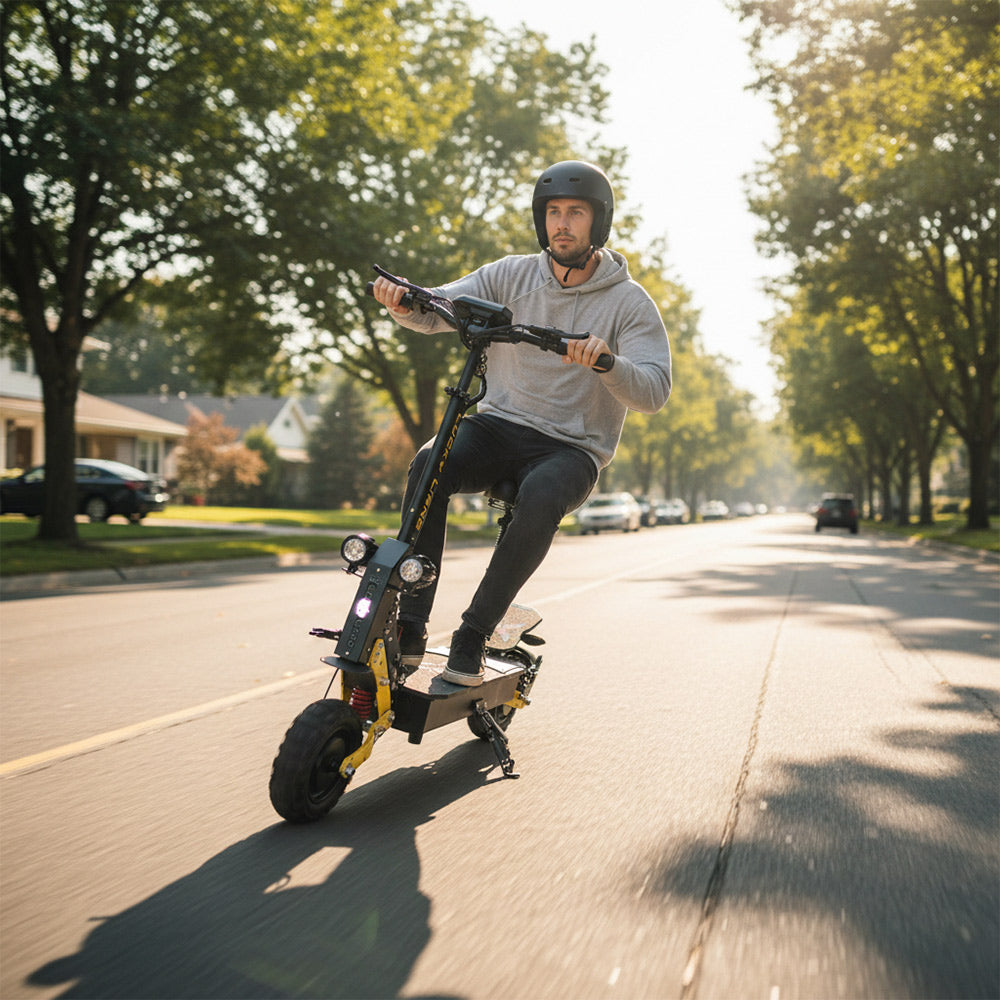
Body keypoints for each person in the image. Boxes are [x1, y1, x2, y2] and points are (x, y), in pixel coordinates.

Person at [371, 160, 671, 686]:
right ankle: (412, 623)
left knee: (543, 492)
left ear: (598, 223)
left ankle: (473, 632)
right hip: (498, 427)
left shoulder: (629, 302)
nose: (562, 223)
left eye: (575, 213)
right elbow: (438, 309)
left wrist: (608, 364)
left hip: (570, 448)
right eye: (553, 212)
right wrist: (402, 302)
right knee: (428, 462)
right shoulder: (508, 274)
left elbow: (653, 391)